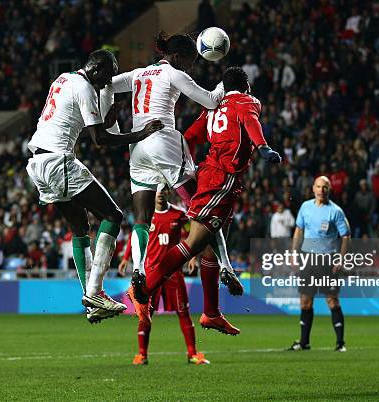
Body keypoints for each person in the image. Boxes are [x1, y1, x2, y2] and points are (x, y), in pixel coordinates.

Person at [128, 67, 281, 335]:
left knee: (210, 242)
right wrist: (263, 147)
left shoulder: (213, 108)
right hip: (221, 178)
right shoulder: (246, 101)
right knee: (194, 242)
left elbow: (190, 136)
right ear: (246, 86)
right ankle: (144, 288)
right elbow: (250, 120)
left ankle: (211, 312)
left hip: (213, 175)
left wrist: (192, 164)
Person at [26, 49, 164, 324]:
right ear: (97, 68)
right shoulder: (85, 87)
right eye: (107, 76)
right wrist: (141, 133)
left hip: (37, 164)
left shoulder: (63, 79)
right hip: (58, 161)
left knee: (80, 229)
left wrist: (109, 111)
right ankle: (96, 293)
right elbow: (100, 139)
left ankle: (91, 303)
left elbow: (99, 120)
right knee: (114, 216)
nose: (107, 82)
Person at [109, 32, 241, 313]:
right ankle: (227, 266)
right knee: (204, 208)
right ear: (178, 57)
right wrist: (225, 84)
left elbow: (107, 85)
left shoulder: (139, 73)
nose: (191, 67)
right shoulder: (173, 73)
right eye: (190, 62)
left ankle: (138, 270)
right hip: (165, 142)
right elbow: (210, 101)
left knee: (141, 219)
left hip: (138, 147)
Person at [119, 188, 208, 365]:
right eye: (157, 190)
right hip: (150, 273)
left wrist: (192, 257)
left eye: (164, 189)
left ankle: (192, 354)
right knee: (145, 314)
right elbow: (134, 237)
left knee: (183, 312)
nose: (160, 193)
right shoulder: (146, 214)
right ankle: (142, 354)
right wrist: (126, 257)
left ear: (168, 192)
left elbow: (192, 234)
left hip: (174, 273)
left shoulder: (180, 214)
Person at [287, 176, 351, 352]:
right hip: (308, 259)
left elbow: (345, 236)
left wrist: (341, 258)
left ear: (329, 190)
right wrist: (293, 252)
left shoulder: (336, 211)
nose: (321, 190)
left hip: (327, 260)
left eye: (325, 187)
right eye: (318, 186)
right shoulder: (305, 207)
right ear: (313, 188)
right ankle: (304, 342)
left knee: (332, 300)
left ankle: (340, 343)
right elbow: (299, 230)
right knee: (305, 302)